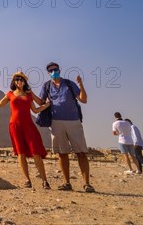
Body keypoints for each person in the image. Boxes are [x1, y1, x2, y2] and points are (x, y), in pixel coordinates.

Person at [0, 71, 52, 189]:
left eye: (21, 80)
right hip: (15, 126)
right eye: (17, 79)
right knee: (20, 153)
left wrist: (48, 105)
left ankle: (45, 181)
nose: (19, 81)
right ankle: (27, 180)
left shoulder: (28, 94)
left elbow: (36, 110)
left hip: (28, 125)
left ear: (25, 82)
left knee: (35, 153)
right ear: (14, 81)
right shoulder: (10, 94)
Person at [39, 62, 95, 192]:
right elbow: (41, 102)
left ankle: (87, 183)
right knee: (62, 153)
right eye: (51, 70)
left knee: (81, 152)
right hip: (56, 122)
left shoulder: (69, 84)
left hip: (73, 121)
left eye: (55, 69)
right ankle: (66, 183)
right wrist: (27, 93)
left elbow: (83, 99)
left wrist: (81, 85)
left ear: (59, 70)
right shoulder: (47, 86)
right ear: (48, 73)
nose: (54, 72)